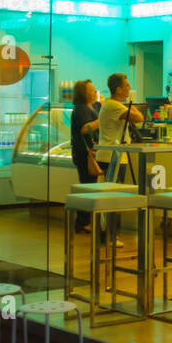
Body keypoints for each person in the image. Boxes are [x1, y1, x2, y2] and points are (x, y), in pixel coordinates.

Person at [98, 73, 143, 248]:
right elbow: (139, 118)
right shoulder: (114, 106)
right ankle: (109, 235)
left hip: (112, 155)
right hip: (113, 157)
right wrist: (133, 108)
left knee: (112, 196)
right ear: (118, 89)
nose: (129, 87)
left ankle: (109, 234)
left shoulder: (112, 105)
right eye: (126, 85)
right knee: (113, 198)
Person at [70, 80, 101, 234]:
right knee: (88, 187)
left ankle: (85, 221)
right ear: (84, 93)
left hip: (90, 152)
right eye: (92, 90)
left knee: (89, 186)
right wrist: (100, 121)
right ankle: (82, 222)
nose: (95, 92)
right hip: (84, 153)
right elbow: (83, 129)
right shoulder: (81, 109)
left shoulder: (93, 107)